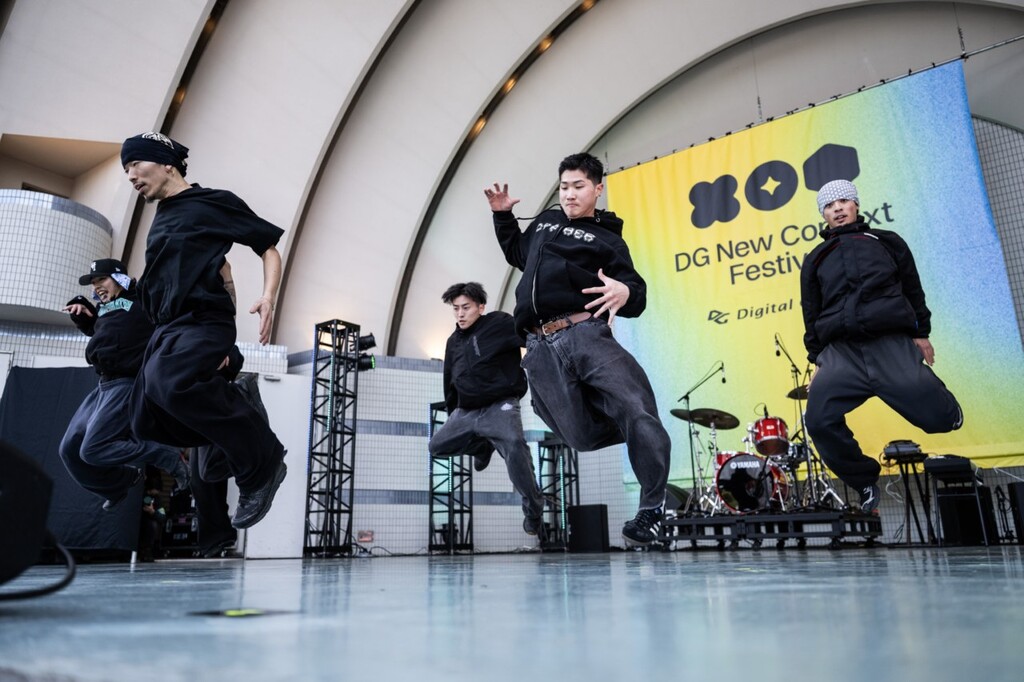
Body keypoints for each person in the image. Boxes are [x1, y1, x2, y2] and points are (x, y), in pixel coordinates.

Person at [486, 152, 672, 548]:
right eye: (564, 187)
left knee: (636, 406)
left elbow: (635, 292)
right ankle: (641, 435)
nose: (569, 194)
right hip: (537, 347)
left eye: (579, 186)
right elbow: (518, 254)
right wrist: (502, 217)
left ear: (597, 189)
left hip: (584, 334)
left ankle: (652, 508)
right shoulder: (545, 223)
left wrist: (624, 291)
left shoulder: (608, 239)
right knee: (580, 438)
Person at [121, 131, 287, 529]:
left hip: (203, 320)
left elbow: (267, 247)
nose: (130, 176)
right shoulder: (163, 215)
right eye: (126, 170)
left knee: (170, 383)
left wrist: (267, 297)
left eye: (135, 164)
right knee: (144, 418)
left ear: (166, 163)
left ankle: (262, 465)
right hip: (167, 327)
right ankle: (231, 412)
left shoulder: (213, 203)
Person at [800, 179, 963, 513]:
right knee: (817, 419)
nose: (837, 209)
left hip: (889, 341)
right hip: (841, 352)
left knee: (941, 420)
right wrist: (818, 359)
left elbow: (912, 288)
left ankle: (948, 411)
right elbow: (811, 311)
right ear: (823, 214)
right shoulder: (816, 258)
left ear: (856, 205)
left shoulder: (886, 241)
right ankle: (863, 481)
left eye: (843, 201)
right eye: (829, 206)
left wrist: (921, 333)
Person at [59, 258, 189, 511]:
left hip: (126, 384)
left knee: (93, 449)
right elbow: (107, 333)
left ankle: (168, 457)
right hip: (103, 385)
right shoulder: (107, 308)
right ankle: (117, 485)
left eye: (101, 279)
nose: (97, 286)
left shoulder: (142, 299)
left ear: (120, 278)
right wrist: (84, 316)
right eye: (93, 283)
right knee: (69, 449)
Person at [428, 281, 546, 537]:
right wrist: (453, 413)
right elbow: (450, 378)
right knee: (437, 446)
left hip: (499, 404)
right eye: (456, 308)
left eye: (466, 307)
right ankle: (482, 447)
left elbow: (532, 337)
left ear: (480, 307)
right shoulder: (452, 342)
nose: (460, 314)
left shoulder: (499, 323)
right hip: (466, 411)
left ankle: (534, 508)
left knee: (514, 445)